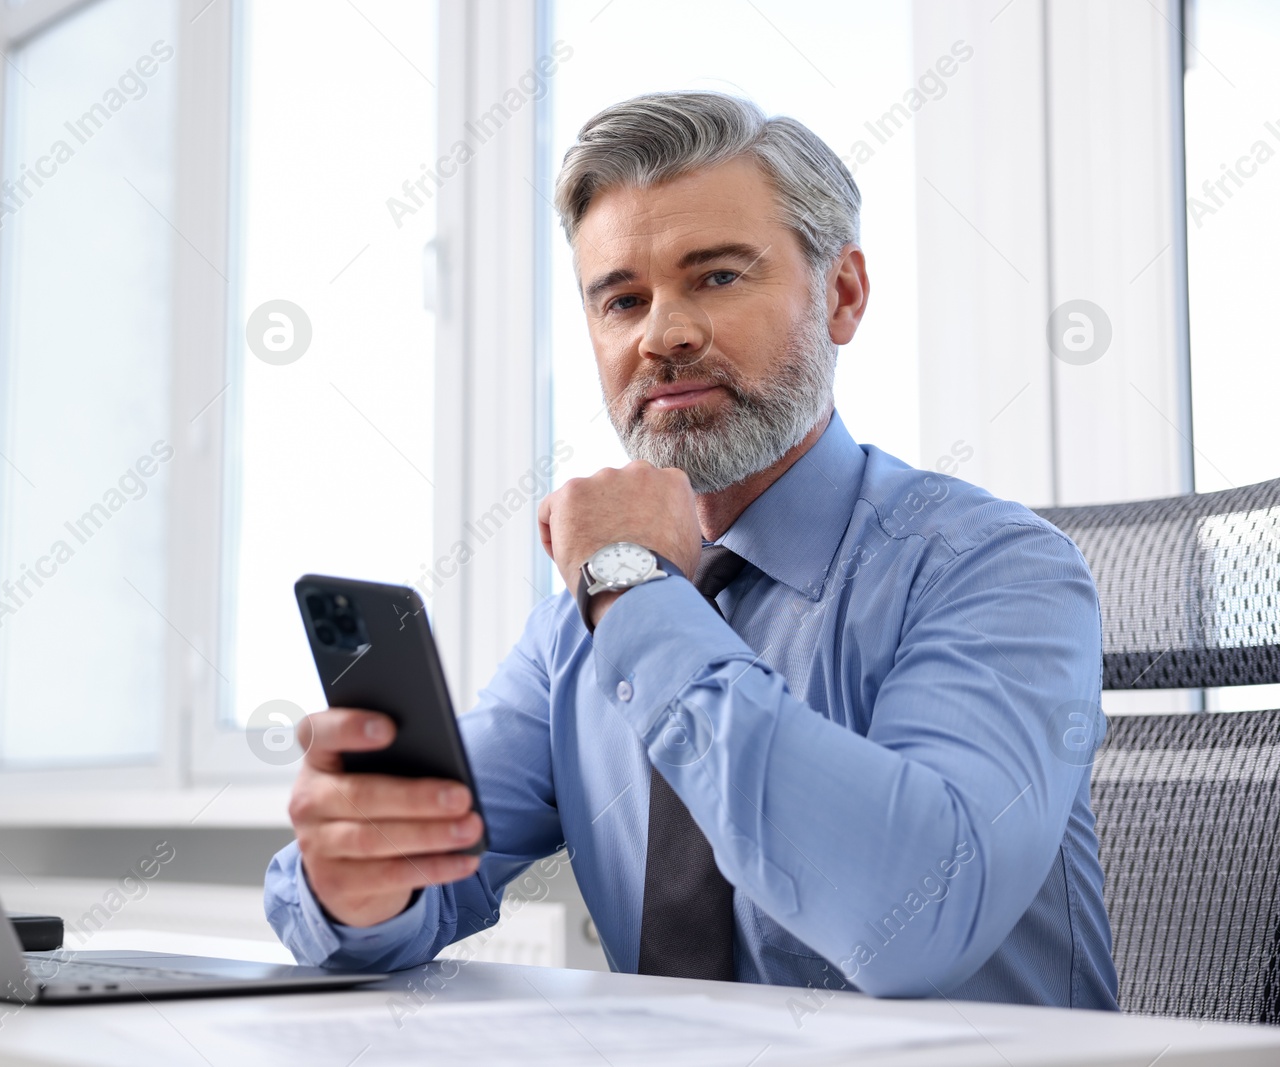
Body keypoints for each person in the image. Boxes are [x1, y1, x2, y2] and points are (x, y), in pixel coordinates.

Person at [264, 90, 1118, 1008]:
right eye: (621, 299)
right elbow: (406, 883)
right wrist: (356, 884)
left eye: (715, 277)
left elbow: (911, 923)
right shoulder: (577, 633)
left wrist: (633, 591)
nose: (661, 334)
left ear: (841, 293)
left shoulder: (995, 569)